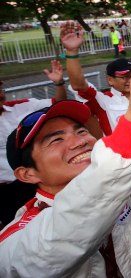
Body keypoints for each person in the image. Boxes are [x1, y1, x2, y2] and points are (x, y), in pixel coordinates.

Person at [0, 49, 131, 277]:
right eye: (56, 139)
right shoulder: (13, 242)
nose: (79, 141)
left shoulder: (121, 188)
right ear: (27, 174)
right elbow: (62, 238)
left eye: (81, 130)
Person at [0, 62, 67, 227]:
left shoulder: (20, 107)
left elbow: (58, 102)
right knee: (15, 228)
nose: (1, 95)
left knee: (49, 222)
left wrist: (58, 83)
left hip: (30, 181)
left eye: (1, 90)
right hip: (2, 191)